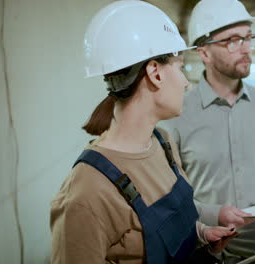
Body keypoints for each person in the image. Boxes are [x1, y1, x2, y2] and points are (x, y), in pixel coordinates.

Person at [50, 1, 235, 263]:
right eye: (181, 68)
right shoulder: (87, 193)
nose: (186, 82)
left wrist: (202, 235)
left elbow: (176, 226)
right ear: (155, 73)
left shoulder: (163, 143)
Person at [159, 0, 255, 229]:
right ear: (204, 53)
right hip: (204, 241)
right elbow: (169, 189)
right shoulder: (176, 114)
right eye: (232, 41)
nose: (246, 48)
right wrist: (213, 215)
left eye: (248, 38)